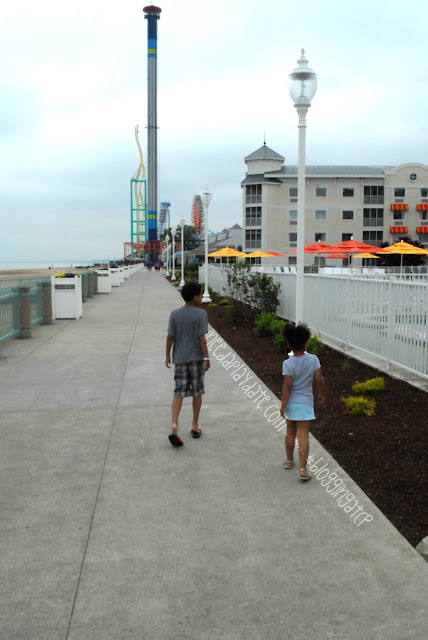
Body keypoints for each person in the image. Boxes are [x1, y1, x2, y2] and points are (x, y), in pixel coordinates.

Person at [165, 282, 210, 446]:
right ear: (196, 297)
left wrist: (167, 355)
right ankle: (194, 426)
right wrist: (207, 358)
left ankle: (174, 424)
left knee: (178, 392)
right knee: (196, 392)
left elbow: (170, 336)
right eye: (200, 294)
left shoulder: (175, 314)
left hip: (180, 358)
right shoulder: (201, 314)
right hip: (196, 359)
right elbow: (202, 339)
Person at [280, 322, 326, 481]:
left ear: (289, 343)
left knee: (290, 433)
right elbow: (319, 380)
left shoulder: (287, 363)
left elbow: (287, 386)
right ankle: (302, 469)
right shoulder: (313, 359)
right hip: (305, 403)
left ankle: (288, 460)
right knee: (303, 436)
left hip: (292, 404)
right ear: (305, 342)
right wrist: (322, 394)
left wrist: (283, 405)